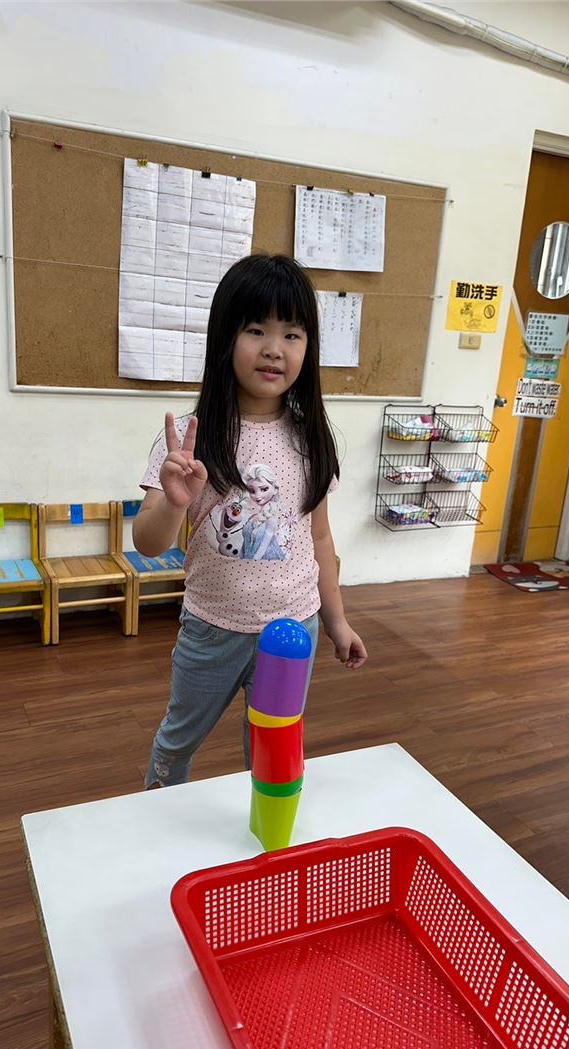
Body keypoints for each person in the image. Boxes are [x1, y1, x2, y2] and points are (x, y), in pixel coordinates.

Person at [133, 253, 367, 788]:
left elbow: (319, 537)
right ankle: (154, 815)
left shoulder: (312, 439)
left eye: (292, 334)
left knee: (271, 748)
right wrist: (173, 503)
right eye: (256, 330)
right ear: (225, 337)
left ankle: (266, 830)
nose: (274, 349)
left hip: (294, 630)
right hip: (212, 628)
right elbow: (147, 542)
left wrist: (337, 622)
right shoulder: (189, 440)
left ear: (308, 348)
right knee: (178, 740)